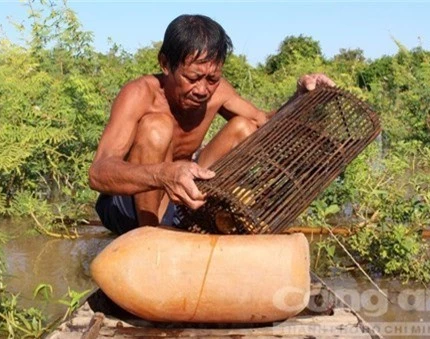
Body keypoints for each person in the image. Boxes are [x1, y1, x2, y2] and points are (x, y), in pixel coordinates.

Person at [89, 14, 335, 235]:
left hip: (177, 203)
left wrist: (300, 97)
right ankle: (148, 236)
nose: (202, 90)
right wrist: (162, 174)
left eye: (212, 79)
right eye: (192, 78)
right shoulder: (139, 93)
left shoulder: (218, 92)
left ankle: (196, 222)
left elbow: (264, 125)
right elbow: (98, 173)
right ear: (165, 64)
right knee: (157, 127)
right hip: (128, 206)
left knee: (244, 128)